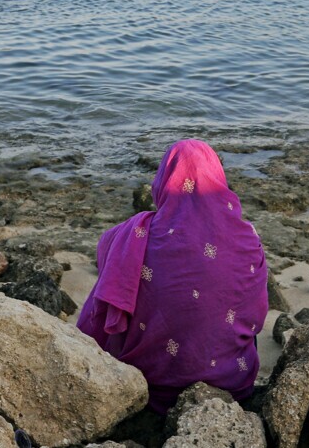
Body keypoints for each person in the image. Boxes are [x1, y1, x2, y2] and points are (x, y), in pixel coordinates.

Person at [77, 139, 269, 413]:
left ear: (164, 180)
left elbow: (107, 269)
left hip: (151, 385)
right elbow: (256, 316)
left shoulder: (136, 234)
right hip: (232, 383)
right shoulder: (247, 237)